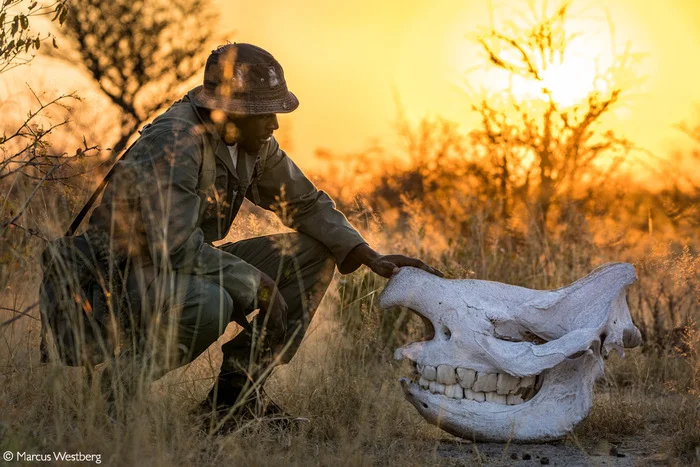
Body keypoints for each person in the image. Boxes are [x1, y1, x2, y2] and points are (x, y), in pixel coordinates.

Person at [85, 43, 442, 424]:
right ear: (233, 112)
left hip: (183, 261)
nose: (274, 124)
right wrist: (258, 284)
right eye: (266, 113)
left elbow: (304, 202)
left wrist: (369, 255)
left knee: (313, 254)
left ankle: (235, 400)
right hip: (125, 276)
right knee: (211, 303)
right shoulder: (176, 142)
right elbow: (171, 247)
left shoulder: (250, 141)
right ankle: (118, 389)